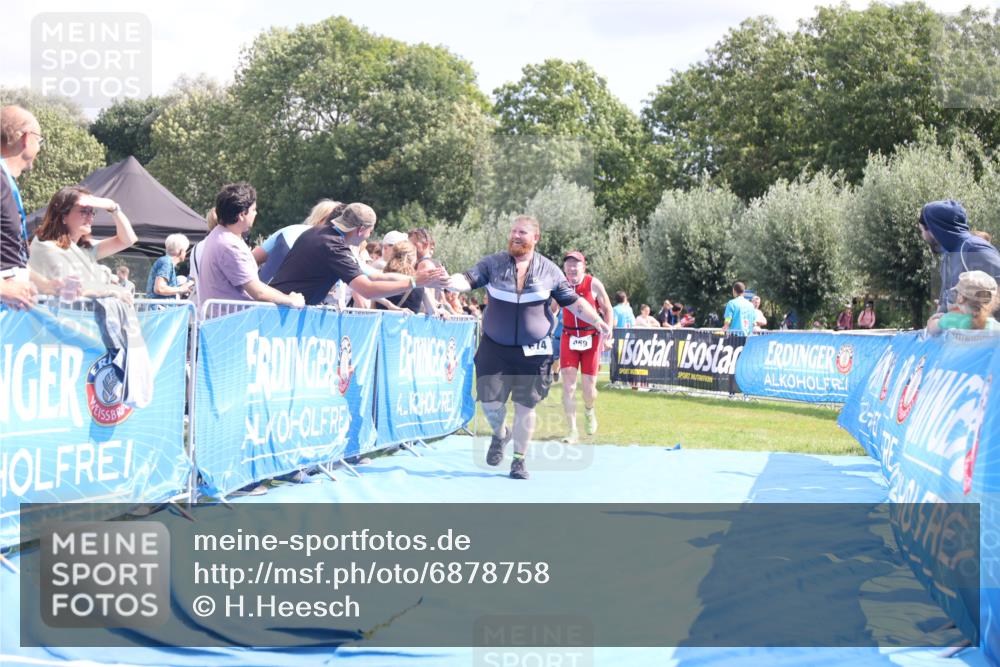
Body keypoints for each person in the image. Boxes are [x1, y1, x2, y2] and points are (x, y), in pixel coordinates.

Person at [445, 216, 611, 480]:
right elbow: (467, 278)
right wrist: (450, 281)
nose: (516, 236)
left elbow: (573, 302)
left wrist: (598, 321)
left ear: (536, 238)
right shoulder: (493, 263)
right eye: (513, 232)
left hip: (534, 351)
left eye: (522, 232)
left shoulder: (550, 271)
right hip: (495, 347)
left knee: (526, 405)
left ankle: (519, 461)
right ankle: (501, 434)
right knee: (489, 403)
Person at [269, 203, 447, 307]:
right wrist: (414, 282)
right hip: (282, 313)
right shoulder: (334, 247)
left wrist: (415, 276)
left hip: (282, 308)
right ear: (361, 229)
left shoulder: (320, 233)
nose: (370, 236)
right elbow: (368, 290)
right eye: (371, 231)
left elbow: (376, 275)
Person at [195, 183, 305, 315]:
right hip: (232, 324)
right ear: (242, 214)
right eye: (253, 210)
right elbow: (258, 292)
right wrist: (291, 300)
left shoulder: (218, 235)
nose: (256, 213)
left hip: (224, 322)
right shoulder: (230, 245)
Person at [28, 186, 137, 297]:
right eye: (84, 211)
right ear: (63, 215)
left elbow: (128, 240)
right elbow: (75, 288)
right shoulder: (45, 246)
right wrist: (110, 290)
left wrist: (113, 207)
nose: (90, 217)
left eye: (92, 212)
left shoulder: (85, 249)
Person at [559, 251, 614, 443]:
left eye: (576, 264)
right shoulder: (560, 284)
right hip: (568, 336)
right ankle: (572, 430)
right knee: (569, 386)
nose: (572, 268)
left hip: (591, 337)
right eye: (569, 265)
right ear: (564, 267)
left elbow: (608, 309)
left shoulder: (593, 283)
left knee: (589, 391)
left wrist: (609, 335)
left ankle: (589, 410)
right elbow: (551, 309)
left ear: (584, 266)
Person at [919, 200, 1000, 313]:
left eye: (922, 230)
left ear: (933, 230)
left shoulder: (974, 249)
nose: (922, 236)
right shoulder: (947, 256)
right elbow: (944, 305)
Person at [1, 105, 44, 308]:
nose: (39, 148)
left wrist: (53, 285)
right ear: (26, 138)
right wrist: (4, 288)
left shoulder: (6, 182)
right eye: (39, 140)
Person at [254, 199, 341, 284]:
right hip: (283, 294)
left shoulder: (291, 230)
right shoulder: (332, 246)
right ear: (321, 219)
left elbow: (252, 258)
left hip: (258, 290)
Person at [927, 270, 999, 333]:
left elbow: (931, 328)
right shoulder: (996, 326)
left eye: (957, 293)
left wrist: (937, 318)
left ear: (960, 298)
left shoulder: (951, 320)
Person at [373, 240, 429, 314]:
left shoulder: (382, 278)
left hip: (380, 324)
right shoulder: (419, 285)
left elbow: (367, 292)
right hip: (408, 325)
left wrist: (389, 305)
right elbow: (431, 311)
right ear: (413, 260)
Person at [147, 233, 194, 299]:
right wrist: (181, 289)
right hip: (161, 308)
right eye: (185, 251)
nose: (185, 253)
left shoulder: (165, 261)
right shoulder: (167, 263)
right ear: (181, 251)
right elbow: (159, 288)